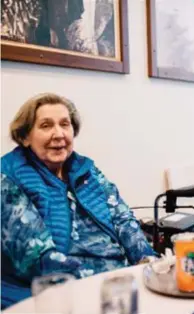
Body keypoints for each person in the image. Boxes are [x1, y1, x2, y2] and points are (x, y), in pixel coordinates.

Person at [1, 93, 158, 308]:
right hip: (66, 287)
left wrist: (147, 263)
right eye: (46, 126)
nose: (59, 134)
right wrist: (112, 280)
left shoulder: (86, 169)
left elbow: (123, 220)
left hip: (120, 278)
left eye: (65, 124)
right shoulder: (8, 177)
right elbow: (37, 259)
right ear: (25, 137)